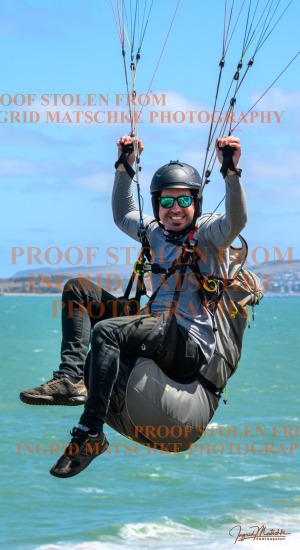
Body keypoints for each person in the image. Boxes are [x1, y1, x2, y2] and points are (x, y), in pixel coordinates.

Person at [20, 134, 247, 477]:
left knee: (108, 331)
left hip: (188, 344)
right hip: (155, 325)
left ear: (196, 202)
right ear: (156, 203)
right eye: (166, 202)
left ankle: (90, 433)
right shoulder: (153, 232)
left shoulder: (209, 234)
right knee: (78, 291)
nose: (175, 209)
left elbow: (237, 221)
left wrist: (231, 172)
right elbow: (123, 212)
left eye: (184, 200)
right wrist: (125, 166)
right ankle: (70, 378)